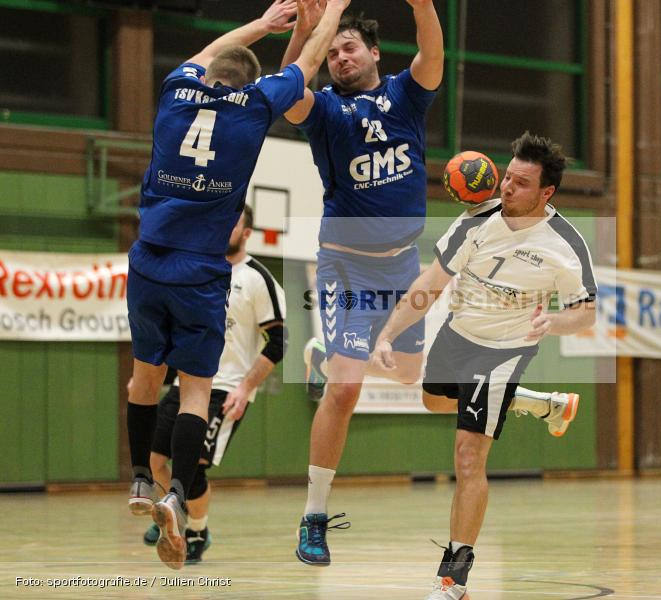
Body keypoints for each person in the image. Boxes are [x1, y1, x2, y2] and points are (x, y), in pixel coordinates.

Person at [125, 0, 347, 570]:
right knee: (196, 391)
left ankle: (140, 483)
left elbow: (210, 53)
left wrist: (264, 24)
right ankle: (176, 494)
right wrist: (330, 10)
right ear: (252, 83)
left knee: (144, 380)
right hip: (199, 272)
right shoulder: (253, 109)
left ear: (208, 72)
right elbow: (312, 60)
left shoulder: (176, 89)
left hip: (148, 260)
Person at [372, 132, 597, 600]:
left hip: (505, 351)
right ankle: (539, 405)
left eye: (520, 183)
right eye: (507, 177)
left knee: (468, 457)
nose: (507, 188)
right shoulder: (475, 220)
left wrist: (553, 321)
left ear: (546, 193)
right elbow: (431, 283)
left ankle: (453, 579)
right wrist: (389, 333)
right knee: (433, 399)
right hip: (458, 335)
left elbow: (586, 312)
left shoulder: (566, 245)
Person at [279, 1, 445, 566]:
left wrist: (422, 4)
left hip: (402, 265)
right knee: (345, 390)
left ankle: (323, 353)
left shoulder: (404, 95)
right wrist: (307, 28)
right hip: (346, 264)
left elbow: (433, 55)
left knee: (410, 379)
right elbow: (289, 88)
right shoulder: (324, 109)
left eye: (348, 47)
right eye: (331, 52)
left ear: (374, 52)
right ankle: (314, 517)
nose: (339, 57)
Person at [139, 205, 287, 564]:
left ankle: (198, 532)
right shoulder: (199, 271)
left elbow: (279, 341)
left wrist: (244, 388)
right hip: (187, 381)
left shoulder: (257, 278)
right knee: (155, 459)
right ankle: (173, 517)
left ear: (247, 233)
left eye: (233, 222)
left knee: (194, 466)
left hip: (226, 389)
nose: (224, 227)